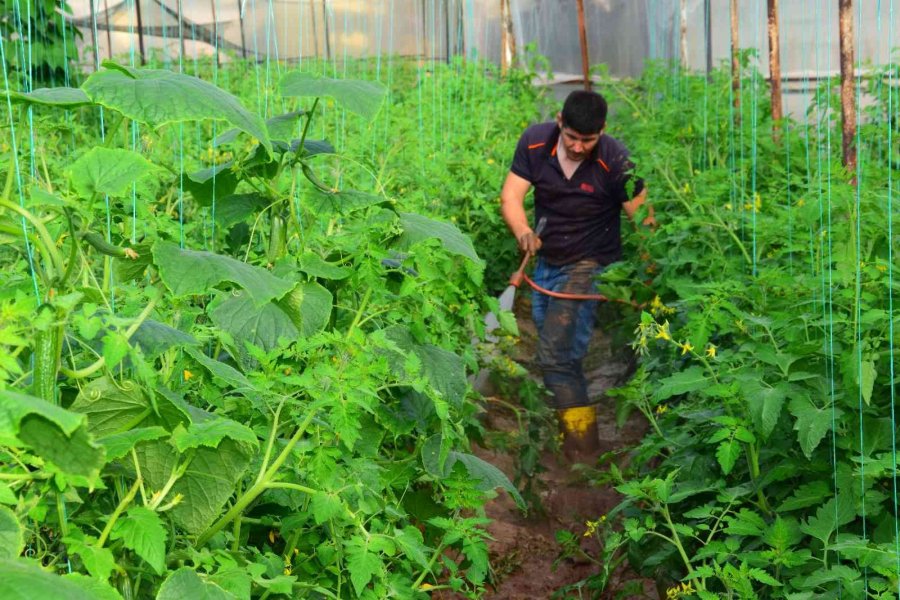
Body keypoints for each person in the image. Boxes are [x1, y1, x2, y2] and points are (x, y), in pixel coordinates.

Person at [499, 90, 655, 460]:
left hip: (591, 264)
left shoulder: (617, 161)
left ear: (602, 131)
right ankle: (577, 431)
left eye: (589, 140)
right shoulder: (535, 142)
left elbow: (646, 223)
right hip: (547, 262)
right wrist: (523, 231)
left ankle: (582, 446)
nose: (580, 146)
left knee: (554, 352)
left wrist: (649, 279)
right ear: (559, 122)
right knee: (560, 352)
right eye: (572, 137)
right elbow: (511, 197)